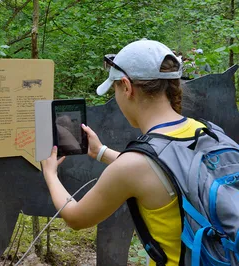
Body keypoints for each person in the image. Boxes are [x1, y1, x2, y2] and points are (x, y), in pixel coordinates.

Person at [41, 40, 206, 265]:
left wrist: (50, 174)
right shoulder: (204, 131)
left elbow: (75, 218)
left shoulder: (132, 167)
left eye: (115, 88)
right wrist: (100, 152)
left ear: (126, 87)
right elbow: (164, 169)